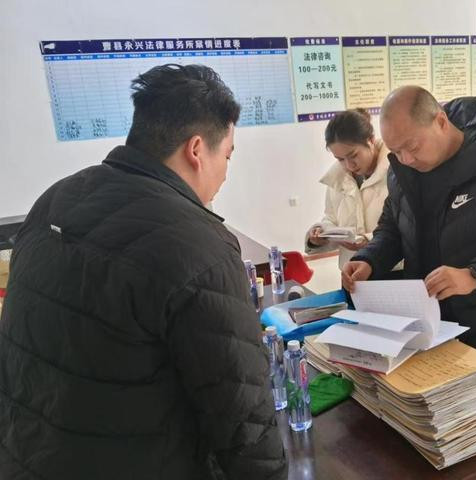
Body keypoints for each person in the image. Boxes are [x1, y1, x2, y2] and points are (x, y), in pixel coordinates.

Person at [0, 64, 287, 479]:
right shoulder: (200, 246)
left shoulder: (55, 199)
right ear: (196, 150)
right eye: (227, 155)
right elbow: (243, 419)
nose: (226, 172)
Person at [341, 86, 476, 357]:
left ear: (441, 121)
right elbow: (392, 229)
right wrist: (370, 260)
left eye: (412, 147)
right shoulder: (401, 172)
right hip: (424, 324)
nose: (405, 159)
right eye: (396, 151)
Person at [305, 109, 392, 270]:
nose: (349, 165)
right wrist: (320, 234)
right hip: (350, 270)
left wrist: (368, 240)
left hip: (391, 269)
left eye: (353, 155)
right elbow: (331, 218)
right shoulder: (338, 178)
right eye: (340, 159)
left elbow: (404, 227)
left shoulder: (395, 172)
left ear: (371, 140)